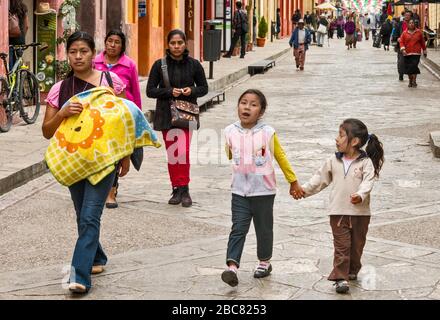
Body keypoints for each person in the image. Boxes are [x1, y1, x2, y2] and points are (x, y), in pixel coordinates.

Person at [42, 31, 128, 294]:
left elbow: (122, 123)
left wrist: (125, 156)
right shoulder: (60, 89)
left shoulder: (110, 81)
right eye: (73, 52)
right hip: (73, 161)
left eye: (84, 51)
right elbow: (46, 130)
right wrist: (63, 113)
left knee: (90, 215)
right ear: (67, 55)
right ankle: (98, 257)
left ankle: (79, 276)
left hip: (103, 160)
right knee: (83, 216)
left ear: (94, 54)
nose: (78, 56)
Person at [221, 89, 304, 287]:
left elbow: (280, 156)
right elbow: (230, 154)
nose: (247, 107)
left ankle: (264, 261)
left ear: (261, 111)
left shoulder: (267, 132)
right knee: (238, 228)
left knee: (264, 229)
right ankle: (232, 266)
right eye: (243, 102)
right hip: (239, 191)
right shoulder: (230, 131)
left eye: (253, 104)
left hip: (264, 192)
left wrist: (293, 181)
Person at [296, 118, 384, 294]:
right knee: (342, 246)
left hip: (361, 213)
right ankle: (340, 278)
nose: (337, 138)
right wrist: (304, 190)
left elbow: (368, 181)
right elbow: (319, 179)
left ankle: (352, 269)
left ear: (355, 141)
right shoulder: (333, 161)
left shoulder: (365, 162)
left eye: (341, 135)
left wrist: (360, 195)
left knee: (357, 246)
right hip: (338, 211)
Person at [147, 29, 208, 207]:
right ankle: (176, 188)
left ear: (184, 43)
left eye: (179, 43)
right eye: (173, 43)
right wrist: (168, 91)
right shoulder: (160, 65)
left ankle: (185, 188)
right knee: (173, 154)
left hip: (186, 114)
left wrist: (192, 90)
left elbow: (204, 87)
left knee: (184, 152)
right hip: (166, 114)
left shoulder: (194, 65)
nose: (176, 46)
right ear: (168, 45)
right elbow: (150, 90)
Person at [94, 29, 142, 209]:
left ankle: (111, 191)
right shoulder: (95, 63)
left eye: (117, 42)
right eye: (109, 41)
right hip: (98, 116)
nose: (112, 45)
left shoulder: (129, 65)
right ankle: (97, 187)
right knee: (100, 152)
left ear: (122, 46)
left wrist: (136, 118)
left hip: (119, 116)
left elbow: (135, 94)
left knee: (115, 154)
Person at [399, 19, 427, 88]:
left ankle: (414, 81)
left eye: (413, 23)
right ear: (408, 25)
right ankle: (410, 80)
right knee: (409, 68)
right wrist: (403, 49)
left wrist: (424, 50)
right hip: (407, 53)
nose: (411, 24)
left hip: (416, 53)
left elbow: (422, 42)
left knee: (414, 66)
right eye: (410, 23)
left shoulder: (419, 32)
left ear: (415, 24)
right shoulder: (404, 33)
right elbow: (401, 42)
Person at [8, 0, 29, 70]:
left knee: (10, 67)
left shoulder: (8, 7)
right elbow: (26, 26)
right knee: (17, 66)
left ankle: (10, 79)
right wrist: (22, 36)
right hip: (20, 42)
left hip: (10, 42)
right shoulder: (23, 8)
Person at [393, 11, 412, 82]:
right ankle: (401, 74)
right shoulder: (399, 24)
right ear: (404, 16)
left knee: (411, 62)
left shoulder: (413, 24)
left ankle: (411, 78)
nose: (407, 16)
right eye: (406, 15)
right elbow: (394, 34)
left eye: (408, 15)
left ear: (410, 17)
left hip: (411, 46)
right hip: (401, 45)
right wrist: (397, 38)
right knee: (401, 61)